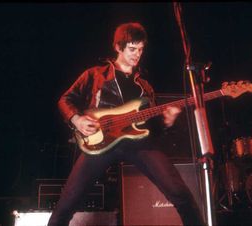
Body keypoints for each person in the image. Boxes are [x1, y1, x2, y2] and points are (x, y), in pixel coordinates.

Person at [48, 22, 205, 226]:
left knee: (181, 194)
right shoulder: (95, 74)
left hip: (139, 145)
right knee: (67, 203)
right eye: (132, 49)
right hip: (99, 142)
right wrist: (76, 119)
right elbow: (65, 100)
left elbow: (153, 128)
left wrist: (167, 121)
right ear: (118, 47)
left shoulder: (145, 86)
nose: (137, 54)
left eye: (140, 49)